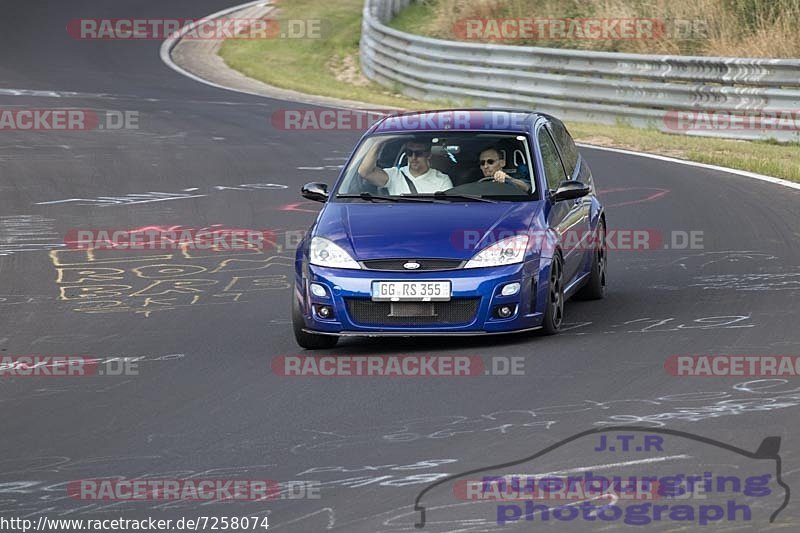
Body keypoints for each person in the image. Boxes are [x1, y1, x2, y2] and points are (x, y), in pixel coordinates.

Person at [357, 137, 452, 195]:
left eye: (418, 153)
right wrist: (379, 142)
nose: (413, 157)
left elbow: (447, 209)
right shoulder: (394, 175)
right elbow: (365, 172)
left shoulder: (442, 180)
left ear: (429, 155)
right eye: (409, 153)